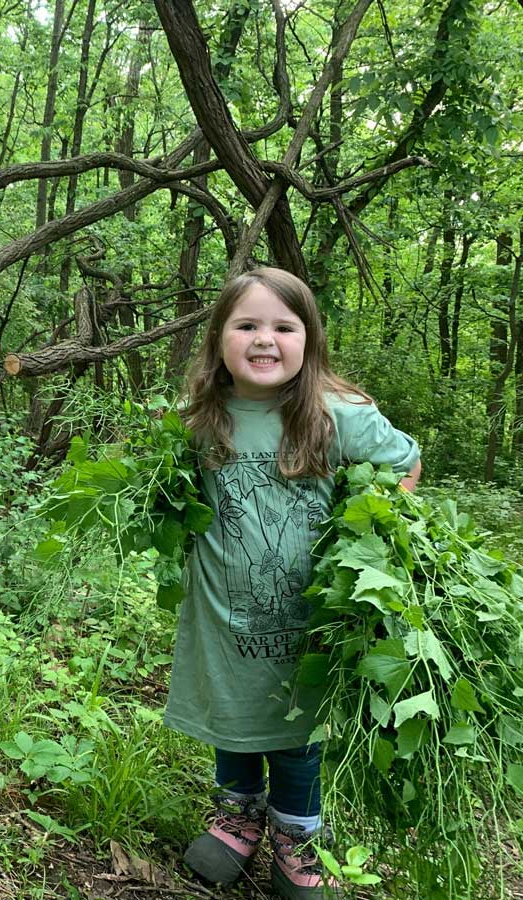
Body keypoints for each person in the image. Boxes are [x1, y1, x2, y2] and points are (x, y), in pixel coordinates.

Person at [165, 267, 421, 899]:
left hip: (312, 616)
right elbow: (171, 495)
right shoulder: (199, 418)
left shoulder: (340, 417)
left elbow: (406, 463)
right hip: (225, 612)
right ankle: (239, 815)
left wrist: (377, 537)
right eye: (246, 325)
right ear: (219, 338)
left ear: (309, 340)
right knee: (233, 711)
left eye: (284, 326)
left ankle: (297, 831)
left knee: (299, 725)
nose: (264, 339)